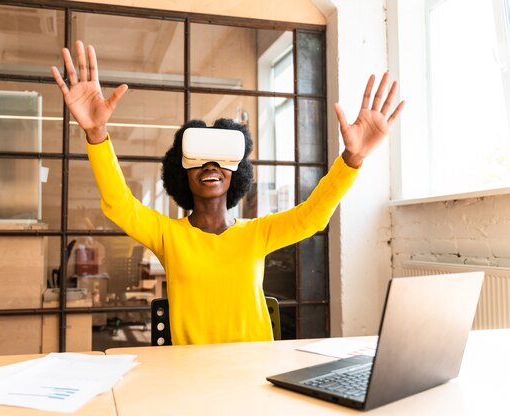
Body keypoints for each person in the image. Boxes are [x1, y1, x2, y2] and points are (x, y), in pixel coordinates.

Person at [51, 40, 404, 345]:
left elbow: (312, 216)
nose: (210, 166)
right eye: (199, 159)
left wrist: (352, 158)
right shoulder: (169, 236)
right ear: (182, 171)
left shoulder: (257, 233)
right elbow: (120, 205)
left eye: (221, 159)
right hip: (191, 375)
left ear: (236, 172)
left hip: (254, 372)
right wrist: (97, 134)